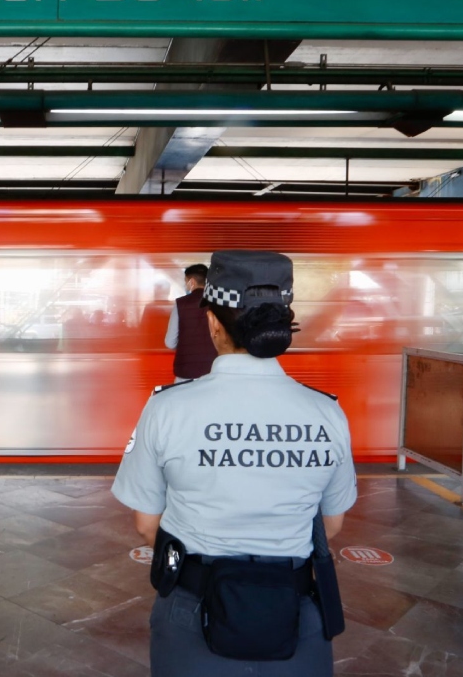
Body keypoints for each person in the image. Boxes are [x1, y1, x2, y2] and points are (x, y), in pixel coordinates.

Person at [112, 250, 357, 677]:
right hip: (295, 614)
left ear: (212, 322)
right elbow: (331, 525)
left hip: (192, 613)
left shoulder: (167, 409)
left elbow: (146, 525)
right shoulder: (326, 412)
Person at [164, 263, 217, 381]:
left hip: (186, 373)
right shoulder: (218, 303)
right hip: (213, 371)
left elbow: (170, 342)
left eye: (186, 281)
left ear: (192, 282)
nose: (185, 285)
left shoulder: (180, 304)